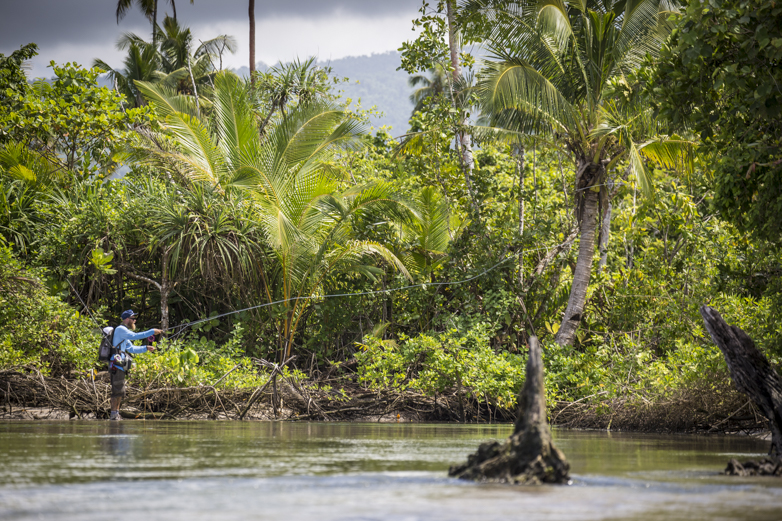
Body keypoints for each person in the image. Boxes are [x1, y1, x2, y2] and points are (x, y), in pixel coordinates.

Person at [109, 310, 162, 420]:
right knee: (117, 391)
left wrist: (145, 348)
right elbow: (135, 336)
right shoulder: (121, 329)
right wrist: (151, 331)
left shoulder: (124, 332)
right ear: (127, 319)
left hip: (120, 365)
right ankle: (113, 414)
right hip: (116, 365)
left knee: (120, 391)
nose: (135, 321)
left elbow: (131, 348)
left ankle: (116, 413)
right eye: (133, 318)